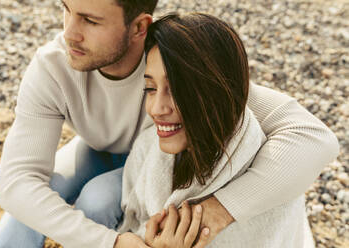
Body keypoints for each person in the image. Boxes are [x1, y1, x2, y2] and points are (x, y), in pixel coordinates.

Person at [0, 0, 339, 247]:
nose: (69, 33)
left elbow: (313, 137)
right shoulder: (53, 66)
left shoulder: (173, 60)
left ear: (140, 26)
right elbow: (17, 183)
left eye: (90, 21)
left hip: (162, 158)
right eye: (65, 10)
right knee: (20, 217)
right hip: (96, 150)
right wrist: (110, 243)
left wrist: (218, 211)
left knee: (96, 201)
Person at [115, 13, 321, 248]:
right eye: (150, 88)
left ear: (214, 92)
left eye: (177, 90)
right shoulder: (147, 148)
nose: (156, 108)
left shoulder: (275, 178)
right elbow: (131, 222)